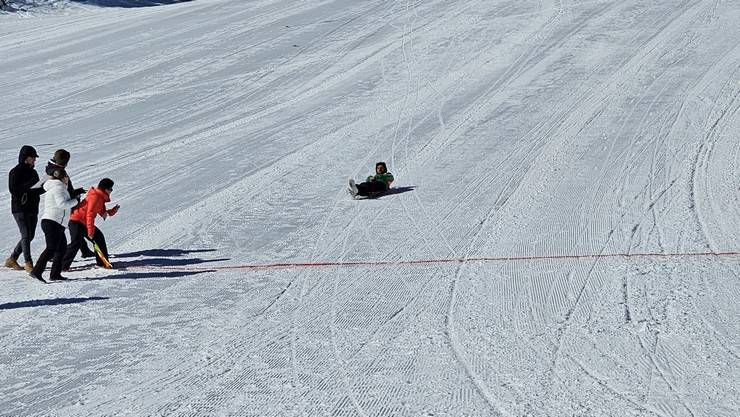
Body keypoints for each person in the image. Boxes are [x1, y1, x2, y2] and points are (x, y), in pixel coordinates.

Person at [29, 167, 79, 282]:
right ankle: (36, 271)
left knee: (61, 249)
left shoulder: (61, 188)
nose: (68, 179)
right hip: (51, 222)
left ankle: (55, 274)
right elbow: (62, 204)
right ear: (62, 178)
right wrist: (75, 201)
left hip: (57, 223)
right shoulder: (58, 187)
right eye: (66, 177)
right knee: (51, 248)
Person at [46, 149, 95, 258]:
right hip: (64, 204)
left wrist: (77, 191)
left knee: (75, 227)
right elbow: (63, 188)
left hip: (68, 200)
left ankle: (84, 249)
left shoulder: (55, 169)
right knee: (72, 228)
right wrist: (74, 197)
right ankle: (53, 255)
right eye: (66, 161)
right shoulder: (57, 171)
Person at [63, 178, 119, 270]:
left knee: (99, 238)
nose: (111, 191)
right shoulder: (95, 197)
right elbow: (90, 214)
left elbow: (102, 212)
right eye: (111, 189)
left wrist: (113, 211)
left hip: (83, 222)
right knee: (76, 243)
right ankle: (61, 265)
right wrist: (90, 231)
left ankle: (102, 262)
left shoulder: (100, 197)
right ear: (106, 189)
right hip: (76, 221)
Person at [5, 145, 45, 272]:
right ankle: (28, 262)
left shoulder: (33, 172)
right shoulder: (15, 172)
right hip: (20, 209)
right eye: (33, 157)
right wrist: (30, 186)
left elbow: (37, 190)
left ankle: (12, 259)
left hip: (33, 208)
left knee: (30, 235)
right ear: (25, 158)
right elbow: (14, 190)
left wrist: (46, 186)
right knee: (26, 235)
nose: (34, 160)